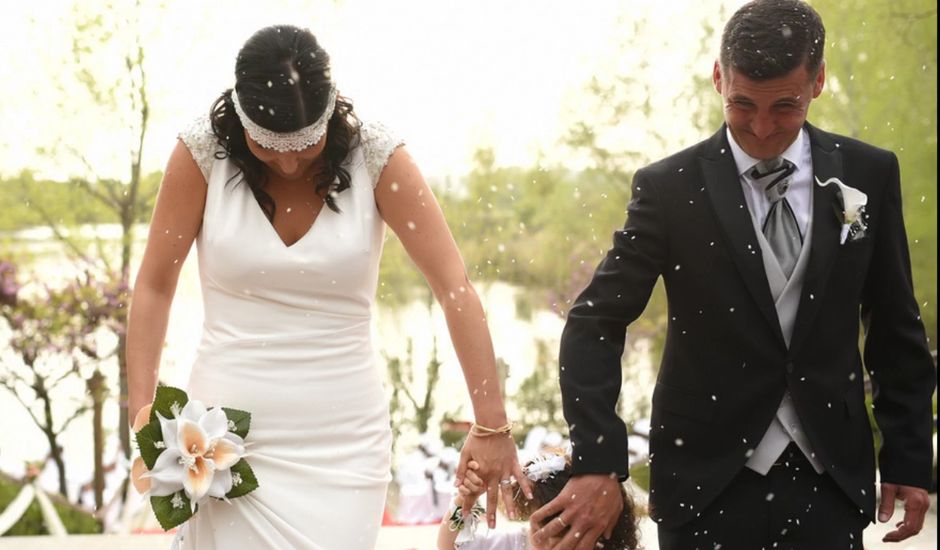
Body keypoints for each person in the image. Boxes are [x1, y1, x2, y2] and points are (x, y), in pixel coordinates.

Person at [531, 1, 936, 548]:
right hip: (704, 481)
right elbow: (594, 323)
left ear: (818, 81)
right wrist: (598, 460)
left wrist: (909, 455)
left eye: (784, 107)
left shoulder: (869, 173)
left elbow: (894, 326)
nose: (762, 128)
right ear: (719, 77)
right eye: (742, 104)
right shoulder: (669, 188)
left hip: (829, 479)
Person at [126, 25, 527, 548]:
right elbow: (155, 285)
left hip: (344, 443)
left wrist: (491, 424)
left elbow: (454, 287)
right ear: (241, 116)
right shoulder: (199, 154)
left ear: (331, 109)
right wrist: (143, 417)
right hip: (224, 439)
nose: (290, 162)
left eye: (306, 144)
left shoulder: (379, 156)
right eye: (269, 146)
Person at [439, 454, 638, 550]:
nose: (545, 541)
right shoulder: (519, 544)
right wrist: (465, 501)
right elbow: (452, 546)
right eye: (538, 528)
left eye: (559, 533)